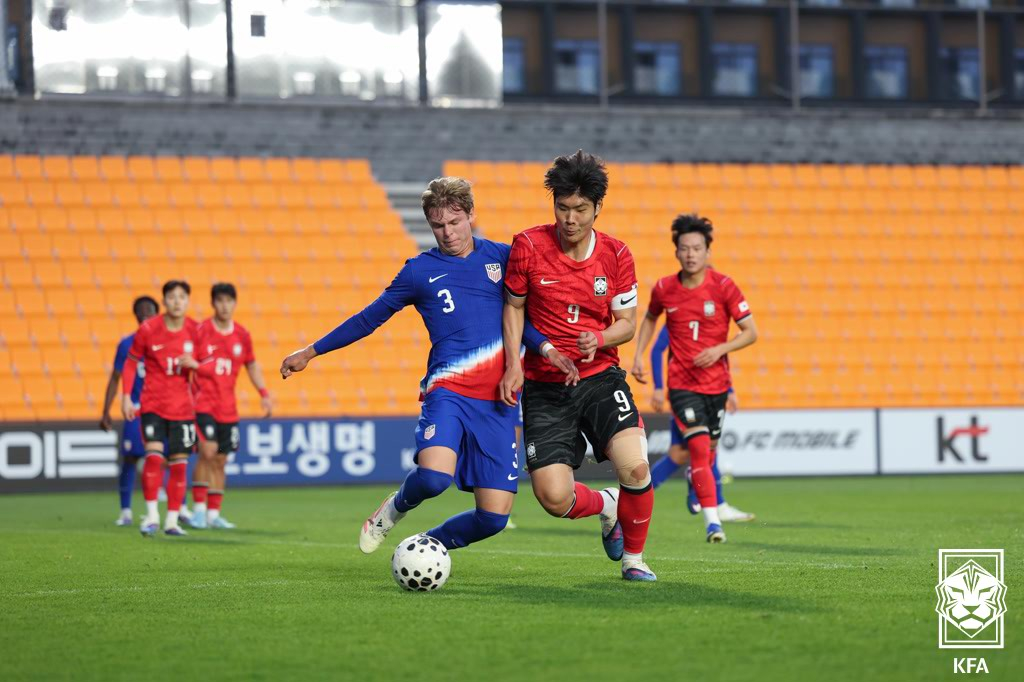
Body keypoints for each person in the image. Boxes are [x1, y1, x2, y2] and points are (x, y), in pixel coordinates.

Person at [280, 177, 573, 555]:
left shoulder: (502, 258)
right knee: (434, 478)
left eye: (454, 222)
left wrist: (547, 349)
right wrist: (311, 351)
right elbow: (369, 318)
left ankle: (425, 547)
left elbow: (519, 319)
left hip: (499, 398)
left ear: (471, 215)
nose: (447, 233)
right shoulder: (419, 271)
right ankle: (393, 508)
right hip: (448, 390)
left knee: (493, 518)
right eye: (438, 225)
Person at [501, 150, 657, 582]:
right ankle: (607, 506)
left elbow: (626, 324)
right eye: (563, 208)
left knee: (636, 467)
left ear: (597, 208)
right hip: (545, 386)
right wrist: (514, 362)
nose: (570, 219)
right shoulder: (528, 246)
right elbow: (513, 309)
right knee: (553, 498)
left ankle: (634, 561)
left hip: (600, 377)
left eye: (581, 210)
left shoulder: (616, 254)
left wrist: (600, 337)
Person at [631, 214, 758, 543]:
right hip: (683, 386)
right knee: (697, 450)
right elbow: (649, 319)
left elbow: (751, 332)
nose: (690, 254)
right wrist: (638, 356)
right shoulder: (664, 288)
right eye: (685, 248)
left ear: (707, 252)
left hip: (716, 385)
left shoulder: (724, 286)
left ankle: (693, 496)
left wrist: (720, 350)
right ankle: (713, 522)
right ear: (676, 252)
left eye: (697, 248)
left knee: (700, 453)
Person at [647, 324, 755, 522]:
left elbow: (719, 356)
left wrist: (729, 390)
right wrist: (658, 387)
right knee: (702, 449)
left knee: (680, 454)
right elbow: (657, 349)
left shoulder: (711, 321)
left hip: (710, 391)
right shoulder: (678, 316)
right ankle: (717, 504)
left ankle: (636, 496)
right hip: (685, 395)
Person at [189, 283, 272, 530]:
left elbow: (251, 365)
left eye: (229, 301)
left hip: (228, 408)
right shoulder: (200, 331)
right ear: (213, 304)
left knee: (221, 460)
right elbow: (186, 362)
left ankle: (214, 514)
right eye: (220, 301)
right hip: (203, 404)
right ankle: (198, 511)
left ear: (234, 304)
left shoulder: (242, 335)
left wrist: (264, 393)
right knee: (207, 452)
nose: (225, 306)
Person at [121, 280, 200, 537]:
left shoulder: (196, 331)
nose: (177, 301)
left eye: (182, 297)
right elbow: (131, 363)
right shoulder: (149, 329)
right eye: (172, 297)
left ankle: (173, 521)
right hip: (153, 404)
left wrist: (196, 365)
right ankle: (152, 516)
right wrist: (125, 396)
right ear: (164, 302)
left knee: (179, 465)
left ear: (187, 301)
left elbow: (209, 367)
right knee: (153, 457)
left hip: (183, 408)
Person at [100, 295, 159, 526]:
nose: (145, 314)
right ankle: (125, 511)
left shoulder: (168, 341)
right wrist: (106, 410)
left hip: (162, 409)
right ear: (135, 315)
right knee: (131, 458)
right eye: (140, 311)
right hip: (136, 411)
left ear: (157, 313)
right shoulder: (127, 345)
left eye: (149, 310)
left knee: (166, 458)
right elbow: (115, 378)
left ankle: (169, 510)